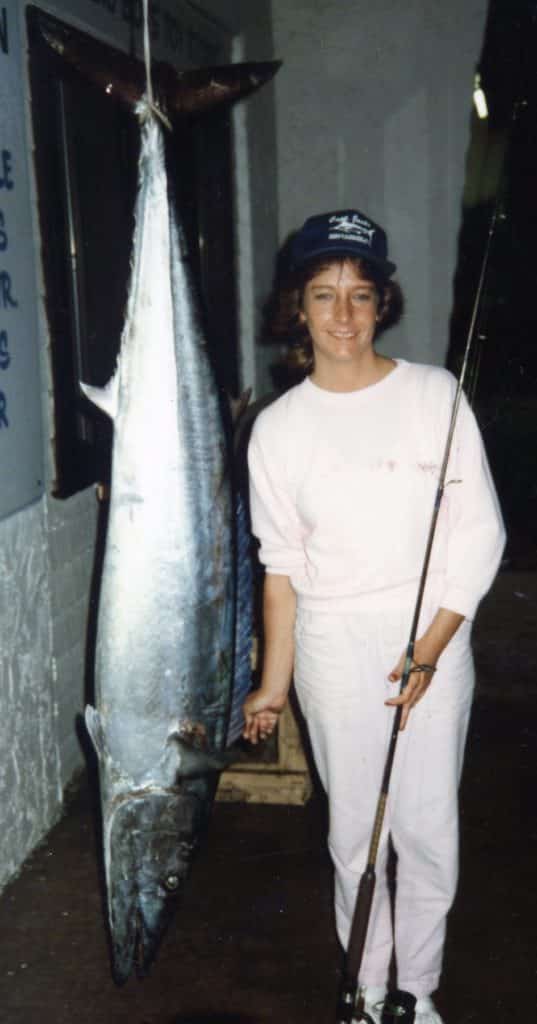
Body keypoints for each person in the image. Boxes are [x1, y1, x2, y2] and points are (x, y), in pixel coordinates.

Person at [242, 210, 505, 1024]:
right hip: (331, 644)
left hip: (429, 638)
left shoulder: (434, 394)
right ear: (298, 308)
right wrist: (270, 687)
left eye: (360, 294)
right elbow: (280, 570)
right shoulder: (278, 430)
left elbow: (478, 533)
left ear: (382, 301)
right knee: (355, 833)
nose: (343, 316)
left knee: (426, 829)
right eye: (324, 296)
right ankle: (363, 984)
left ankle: (414, 993)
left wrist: (428, 650)